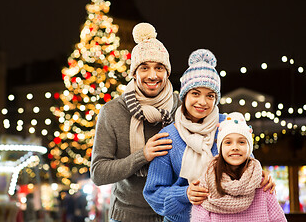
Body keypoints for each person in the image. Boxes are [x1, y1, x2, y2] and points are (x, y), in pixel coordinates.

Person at [143, 49, 275, 222]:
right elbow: (153, 193)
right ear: (185, 95)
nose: (202, 102)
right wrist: (185, 194)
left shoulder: (229, 126)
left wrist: (261, 177)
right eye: (195, 93)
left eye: (210, 95)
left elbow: (249, 167)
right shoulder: (168, 137)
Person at [90, 22, 179, 222]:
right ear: (134, 72)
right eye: (144, 68)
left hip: (175, 214)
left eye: (159, 68)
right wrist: (142, 155)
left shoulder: (180, 107)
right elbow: (98, 172)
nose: (152, 75)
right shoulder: (112, 111)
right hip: (128, 216)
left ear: (167, 72)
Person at [190, 112, 287, 221]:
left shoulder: (263, 185)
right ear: (220, 148)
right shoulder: (206, 185)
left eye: (241, 142)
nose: (235, 147)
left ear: (249, 148)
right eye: (228, 142)